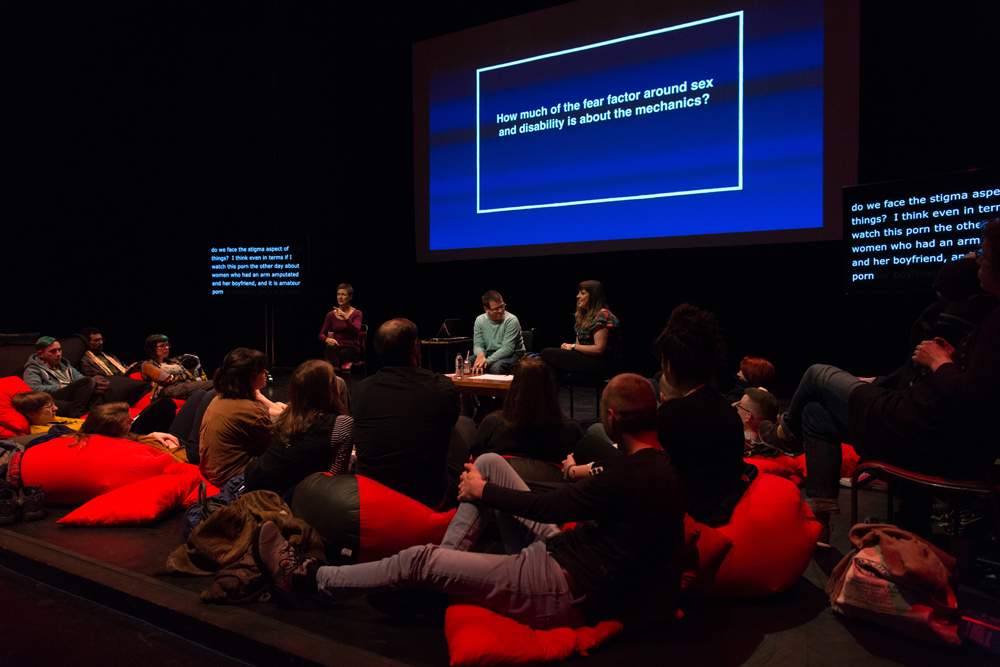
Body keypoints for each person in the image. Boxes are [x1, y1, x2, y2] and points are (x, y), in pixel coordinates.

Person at [251, 373, 686, 630]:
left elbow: (552, 508)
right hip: (569, 556)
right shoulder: (656, 466)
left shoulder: (630, 476)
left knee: (421, 558)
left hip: (562, 587)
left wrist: (483, 492)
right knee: (493, 461)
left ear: (610, 418)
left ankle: (308, 579)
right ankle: (433, 583)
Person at [759, 219, 1000, 546]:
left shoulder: (989, 318)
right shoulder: (985, 316)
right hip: (933, 432)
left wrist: (940, 362)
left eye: (983, 253)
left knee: (816, 373)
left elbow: (970, 393)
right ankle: (821, 525)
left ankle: (786, 433)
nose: (978, 260)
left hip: (918, 431)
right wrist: (950, 360)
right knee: (815, 412)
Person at [351, 318, 471, 510]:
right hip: (427, 499)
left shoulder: (361, 390)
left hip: (370, 496)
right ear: (415, 348)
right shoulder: (442, 387)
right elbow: (448, 426)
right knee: (465, 425)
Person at [651, 304, 745, 526]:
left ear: (670, 366)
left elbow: (637, 468)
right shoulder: (729, 413)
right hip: (711, 510)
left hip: (678, 519)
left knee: (594, 436)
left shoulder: (673, 416)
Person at [244, 360, 353, 498]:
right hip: (279, 498)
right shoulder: (343, 424)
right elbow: (333, 480)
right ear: (332, 387)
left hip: (254, 479)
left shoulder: (289, 414)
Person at [472, 356, 583, 464]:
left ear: (514, 388)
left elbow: (475, 455)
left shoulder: (493, 425)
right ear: (550, 389)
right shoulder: (569, 431)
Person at [198, 348, 274, 486]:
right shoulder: (249, 410)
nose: (267, 373)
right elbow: (277, 443)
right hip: (232, 479)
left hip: (214, 471)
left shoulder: (219, 398)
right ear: (250, 378)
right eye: (263, 371)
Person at [540, 280, 620, 376]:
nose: (578, 296)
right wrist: (569, 348)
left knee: (547, 353)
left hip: (599, 362)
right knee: (551, 366)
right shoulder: (585, 315)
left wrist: (573, 346)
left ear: (593, 296)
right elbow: (580, 344)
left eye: (582, 293)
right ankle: (548, 389)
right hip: (586, 357)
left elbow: (599, 349)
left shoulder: (602, 316)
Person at [69, 402, 184, 462]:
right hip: (180, 451)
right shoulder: (128, 449)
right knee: (200, 397)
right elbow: (175, 463)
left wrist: (151, 435)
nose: (133, 420)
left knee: (197, 396)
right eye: (129, 422)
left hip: (163, 442)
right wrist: (173, 447)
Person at [23, 337, 104, 418]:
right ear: (41, 354)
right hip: (53, 395)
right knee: (88, 381)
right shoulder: (33, 368)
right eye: (53, 351)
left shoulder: (65, 365)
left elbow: (80, 379)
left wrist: (93, 384)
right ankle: (76, 414)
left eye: (59, 350)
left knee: (94, 389)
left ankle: (94, 417)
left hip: (69, 393)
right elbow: (33, 388)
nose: (58, 354)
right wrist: (61, 386)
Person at [78, 327, 151, 405]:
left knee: (142, 364)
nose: (101, 342)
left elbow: (122, 368)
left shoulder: (110, 356)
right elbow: (97, 377)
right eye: (96, 340)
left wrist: (129, 368)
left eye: (102, 339)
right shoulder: (84, 360)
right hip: (111, 383)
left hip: (124, 378)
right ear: (87, 342)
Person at [141, 334, 214, 400]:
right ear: (152, 349)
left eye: (167, 345)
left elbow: (189, 375)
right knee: (213, 384)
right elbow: (168, 379)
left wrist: (185, 378)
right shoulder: (148, 364)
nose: (166, 348)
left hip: (184, 385)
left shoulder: (173, 361)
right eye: (162, 346)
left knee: (213, 387)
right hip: (167, 390)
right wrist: (183, 376)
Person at [471, 290, 525, 374]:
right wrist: (480, 355)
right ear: (486, 309)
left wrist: (486, 362)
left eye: (502, 306)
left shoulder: (511, 320)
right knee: (467, 363)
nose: (500, 311)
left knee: (496, 367)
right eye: (496, 309)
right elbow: (478, 345)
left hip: (512, 355)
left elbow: (508, 349)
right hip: (488, 353)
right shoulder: (480, 320)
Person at [318, 283, 363, 371]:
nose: (340, 297)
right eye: (338, 294)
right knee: (330, 350)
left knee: (331, 358)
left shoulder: (357, 313)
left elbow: (356, 332)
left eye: (343, 294)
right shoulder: (330, 314)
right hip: (336, 348)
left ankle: (332, 375)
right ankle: (335, 374)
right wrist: (327, 339)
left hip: (352, 350)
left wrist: (346, 318)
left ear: (350, 297)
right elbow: (321, 335)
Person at [11, 391, 84, 433]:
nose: (56, 408)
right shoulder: (38, 431)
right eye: (49, 406)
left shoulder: (49, 420)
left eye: (53, 404)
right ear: (32, 414)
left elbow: (78, 421)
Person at [733, 387, 780, 453]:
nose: (736, 407)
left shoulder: (733, 440)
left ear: (748, 416)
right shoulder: (771, 441)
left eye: (739, 405)